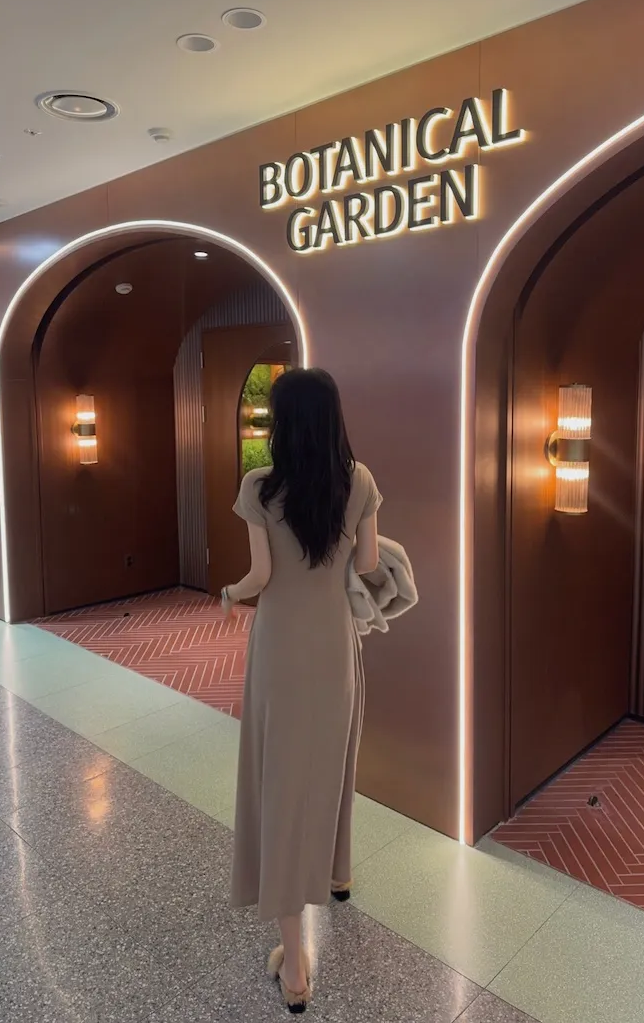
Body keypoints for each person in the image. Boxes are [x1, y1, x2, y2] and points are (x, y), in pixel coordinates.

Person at [221, 367, 381, 1014]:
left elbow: (259, 575)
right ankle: (337, 873)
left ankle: (295, 969)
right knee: (333, 761)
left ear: (283, 424)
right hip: (333, 646)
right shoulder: (359, 481)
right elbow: (367, 564)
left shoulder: (260, 487)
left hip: (281, 650)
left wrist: (229, 593)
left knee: (282, 784)